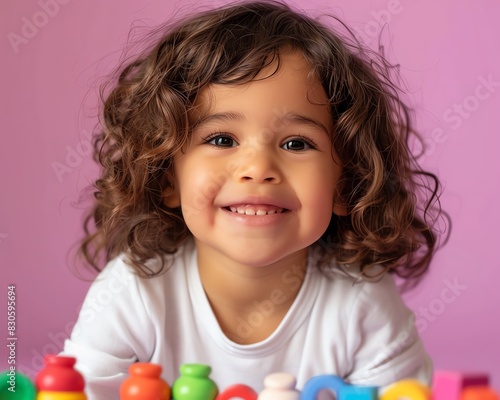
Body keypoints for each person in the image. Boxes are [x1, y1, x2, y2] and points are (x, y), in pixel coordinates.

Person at [63, 1, 444, 398]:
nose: (258, 167)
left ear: (347, 182)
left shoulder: (363, 304)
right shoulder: (133, 291)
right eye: (221, 139)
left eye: (297, 143)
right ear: (165, 176)